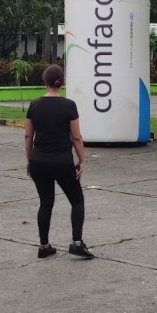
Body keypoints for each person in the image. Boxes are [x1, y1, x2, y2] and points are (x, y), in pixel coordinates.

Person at [24, 64, 93, 259]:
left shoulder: (34, 104)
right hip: (62, 162)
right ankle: (77, 242)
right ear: (61, 82)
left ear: (44, 81)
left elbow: (28, 136)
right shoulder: (69, 105)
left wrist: (29, 159)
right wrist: (82, 160)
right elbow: (77, 137)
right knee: (77, 201)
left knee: (45, 204)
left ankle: (44, 246)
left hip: (39, 161)